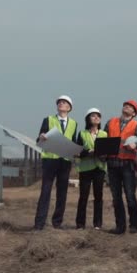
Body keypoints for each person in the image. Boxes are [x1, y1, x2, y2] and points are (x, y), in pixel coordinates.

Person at [34, 95, 78, 230]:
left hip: (65, 162)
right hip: (50, 160)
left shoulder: (74, 124)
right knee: (45, 191)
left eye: (64, 102)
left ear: (69, 108)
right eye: (59, 102)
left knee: (62, 193)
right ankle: (39, 223)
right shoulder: (48, 120)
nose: (61, 104)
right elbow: (39, 138)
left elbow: (73, 141)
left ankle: (57, 222)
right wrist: (41, 136)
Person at [104, 100, 137, 234]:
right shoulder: (110, 122)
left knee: (130, 196)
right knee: (116, 197)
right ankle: (120, 227)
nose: (127, 107)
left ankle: (134, 226)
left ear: (134, 113)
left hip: (128, 165)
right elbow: (103, 139)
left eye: (130, 107)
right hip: (112, 164)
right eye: (125, 105)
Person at [75, 108, 108, 230]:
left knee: (98, 196)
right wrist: (88, 152)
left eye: (98, 116)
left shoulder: (104, 134)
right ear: (88, 119)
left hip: (99, 168)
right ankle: (80, 223)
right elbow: (77, 151)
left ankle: (97, 224)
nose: (96, 118)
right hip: (85, 168)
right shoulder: (82, 134)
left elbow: (108, 151)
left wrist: (104, 155)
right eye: (93, 116)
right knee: (83, 196)